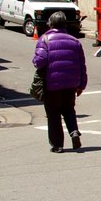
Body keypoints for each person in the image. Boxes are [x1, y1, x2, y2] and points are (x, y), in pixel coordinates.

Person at [33, 11, 87, 152]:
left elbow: (39, 62)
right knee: (69, 109)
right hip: (71, 84)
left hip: (52, 84)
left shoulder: (45, 39)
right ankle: (74, 131)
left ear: (50, 24)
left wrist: (35, 60)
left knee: (53, 114)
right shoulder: (75, 41)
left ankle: (58, 145)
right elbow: (82, 65)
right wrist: (81, 85)